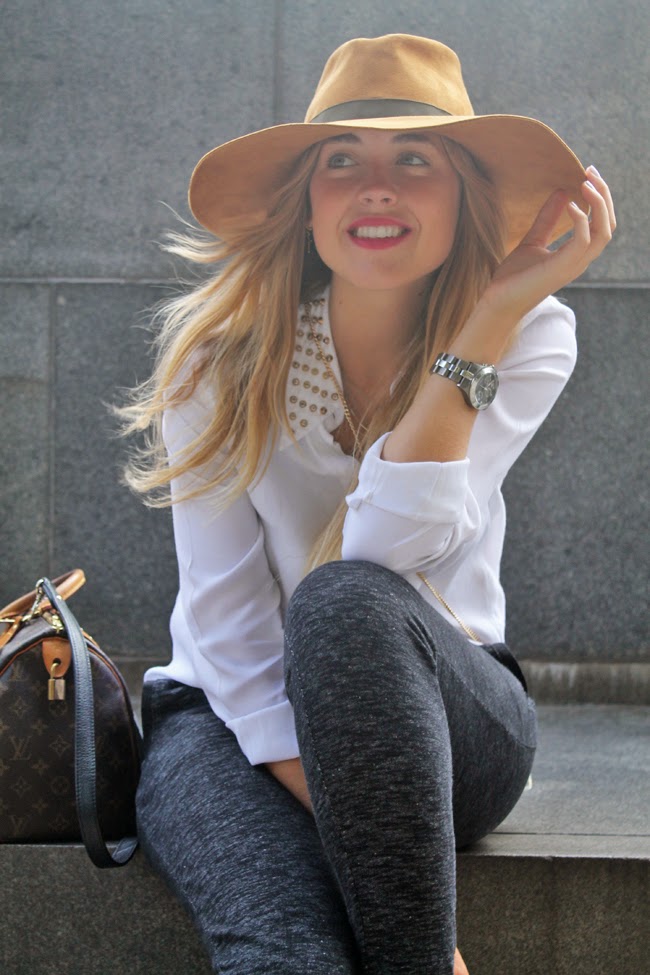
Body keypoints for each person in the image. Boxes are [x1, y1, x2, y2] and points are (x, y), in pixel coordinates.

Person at [120, 34, 615, 975]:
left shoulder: (528, 333)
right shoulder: (214, 359)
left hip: (441, 712)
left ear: (463, 194)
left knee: (344, 603)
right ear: (307, 200)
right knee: (283, 948)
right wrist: (387, 869)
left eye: (415, 161)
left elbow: (383, 557)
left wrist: (487, 320)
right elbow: (229, 636)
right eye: (342, 161)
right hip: (227, 716)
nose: (376, 188)